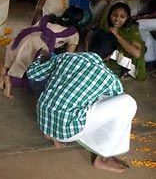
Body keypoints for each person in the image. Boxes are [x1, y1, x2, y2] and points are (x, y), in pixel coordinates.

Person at [28, 30, 137, 173]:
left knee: (63, 82)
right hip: (69, 129)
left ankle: (54, 134)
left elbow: (33, 73)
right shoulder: (109, 78)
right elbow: (115, 106)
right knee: (126, 102)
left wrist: (44, 57)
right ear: (110, 55)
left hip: (43, 117)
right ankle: (102, 158)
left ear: (87, 44)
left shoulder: (65, 57)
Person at [0, 7, 83, 98]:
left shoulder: (49, 19)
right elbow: (68, 56)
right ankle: (11, 80)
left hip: (18, 43)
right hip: (33, 50)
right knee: (40, 79)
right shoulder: (73, 33)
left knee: (18, 61)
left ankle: (4, 71)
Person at [99, 2, 146, 80]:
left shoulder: (131, 29)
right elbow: (92, 34)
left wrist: (117, 35)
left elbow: (137, 54)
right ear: (110, 14)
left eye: (122, 17)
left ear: (127, 17)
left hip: (124, 58)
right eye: (114, 15)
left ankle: (126, 70)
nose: (117, 19)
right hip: (109, 55)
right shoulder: (106, 22)